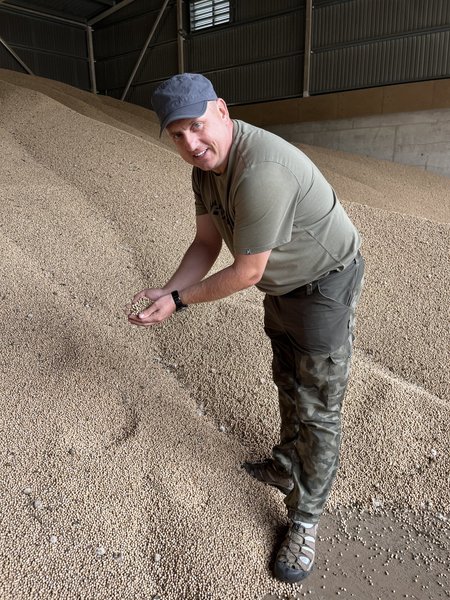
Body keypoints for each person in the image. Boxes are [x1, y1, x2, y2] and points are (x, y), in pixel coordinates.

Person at [128, 72, 364, 583]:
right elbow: (206, 246)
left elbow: (245, 272)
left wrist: (180, 302)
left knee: (318, 402)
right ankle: (285, 465)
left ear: (222, 110)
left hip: (323, 283)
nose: (190, 143)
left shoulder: (262, 171)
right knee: (286, 379)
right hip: (282, 286)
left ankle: (305, 520)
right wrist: (167, 290)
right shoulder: (205, 169)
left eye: (196, 125)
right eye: (177, 134)